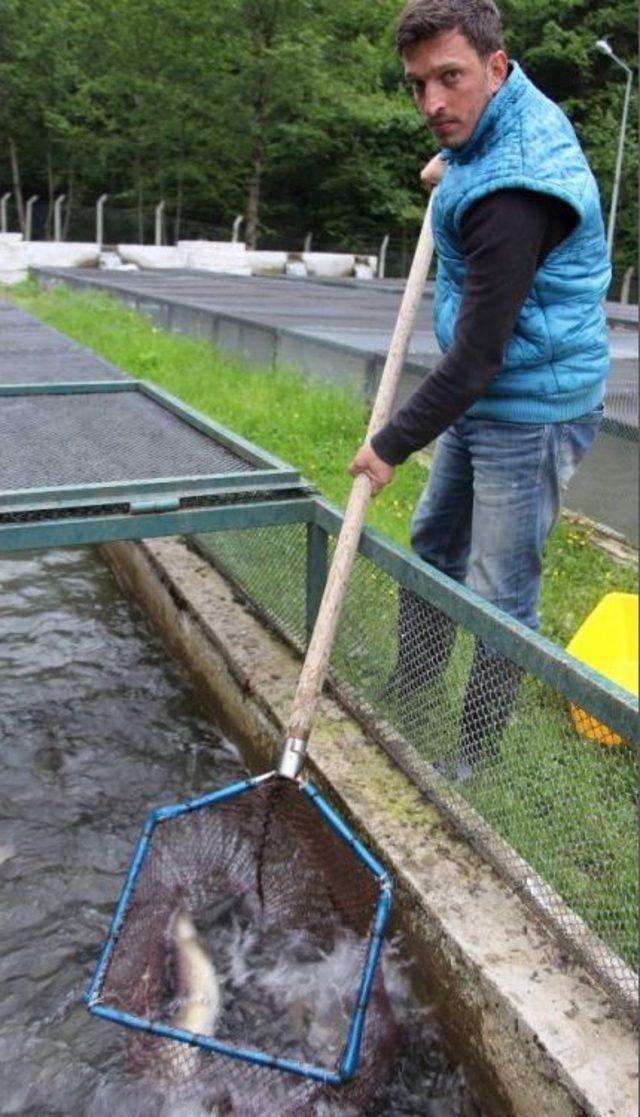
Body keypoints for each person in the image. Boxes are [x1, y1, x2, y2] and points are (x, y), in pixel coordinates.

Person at [349, 0, 610, 779]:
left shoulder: (512, 198)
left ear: (496, 68)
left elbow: (474, 362)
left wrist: (388, 444)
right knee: (434, 546)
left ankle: (475, 757)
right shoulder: (497, 121)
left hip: (529, 406)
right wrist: (453, 163)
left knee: (501, 590)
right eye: (418, 84)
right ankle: (415, 685)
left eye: (450, 79)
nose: (432, 103)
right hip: (485, 390)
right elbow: (475, 152)